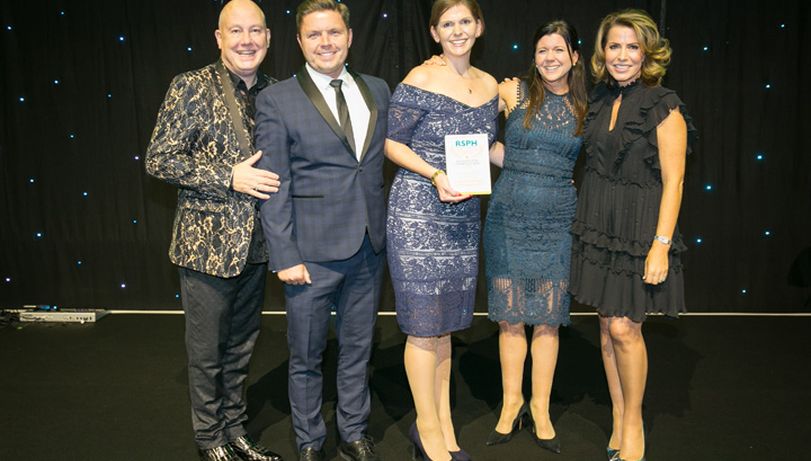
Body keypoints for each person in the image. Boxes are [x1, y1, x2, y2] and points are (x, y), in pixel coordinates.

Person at [145, 1, 283, 460]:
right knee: (206, 352)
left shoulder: (278, 92)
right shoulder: (189, 86)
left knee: (242, 348)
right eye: (236, 31)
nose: (247, 40)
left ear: (267, 37)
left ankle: (236, 429)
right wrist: (228, 175)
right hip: (205, 248)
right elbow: (159, 159)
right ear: (219, 37)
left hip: (260, 246)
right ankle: (210, 438)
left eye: (255, 30)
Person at [254, 1, 390, 460]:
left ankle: (353, 430)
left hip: (369, 249)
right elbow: (275, 185)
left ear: (350, 36)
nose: (326, 42)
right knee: (306, 358)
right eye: (315, 35)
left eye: (334, 32)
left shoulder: (377, 89)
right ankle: (310, 440)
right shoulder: (276, 100)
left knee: (358, 351)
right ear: (299, 42)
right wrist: (284, 255)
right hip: (309, 254)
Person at [569, 9, 695, 461]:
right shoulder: (600, 99)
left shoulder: (664, 104)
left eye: (632, 47)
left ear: (648, 53)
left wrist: (660, 245)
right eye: (614, 46)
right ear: (603, 52)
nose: (622, 55)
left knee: (625, 329)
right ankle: (620, 417)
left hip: (640, 229)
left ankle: (634, 422)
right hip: (600, 222)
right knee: (606, 328)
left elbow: (675, 180)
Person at [385, 1, 498, 460]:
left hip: (463, 215)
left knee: (446, 326)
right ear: (434, 32)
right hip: (418, 212)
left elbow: (488, 149)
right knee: (422, 327)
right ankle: (427, 430)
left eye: (464, 21)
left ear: (479, 27)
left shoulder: (490, 85)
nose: (457, 30)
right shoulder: (420, 78)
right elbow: (391, 143)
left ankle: (446, 426)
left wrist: (544, 168)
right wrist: (435, 174)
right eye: (447, 23)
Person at [482, 19, 587, 455]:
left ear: (574, 56)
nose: (549, 57)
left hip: (558, 221)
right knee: (509, 318)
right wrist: (501, 160)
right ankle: (511, 405)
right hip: (507, 216)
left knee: (545, 321)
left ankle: (540, 409)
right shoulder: (512, 92)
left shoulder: (589, 105)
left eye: (558, 50)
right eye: (542, 50)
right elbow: (478, 138)